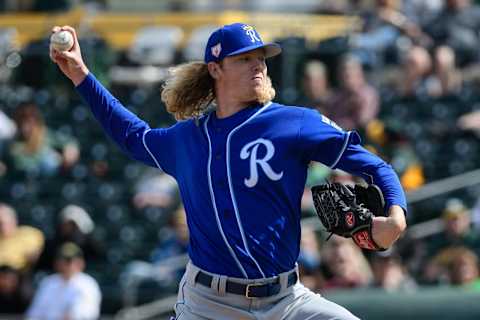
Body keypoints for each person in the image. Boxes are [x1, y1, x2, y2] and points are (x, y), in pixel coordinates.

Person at [50, 22, 407, 320]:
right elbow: (132, 135)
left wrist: (395, 215)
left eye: (261, 59)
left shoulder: (292, 122)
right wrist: (82, 75)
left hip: (286, 300)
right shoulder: (188, 138)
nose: (259, 66)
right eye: (245, 58)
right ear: (215, 69)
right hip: (208, 304)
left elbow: (376, 167)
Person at [25, 242, 102, 320]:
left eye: (69, 261)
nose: (66, 264)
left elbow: (83, 314)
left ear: (81, 262)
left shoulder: (88, 284)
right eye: (62, 260)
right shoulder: (48, 282)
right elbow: (34, 314)